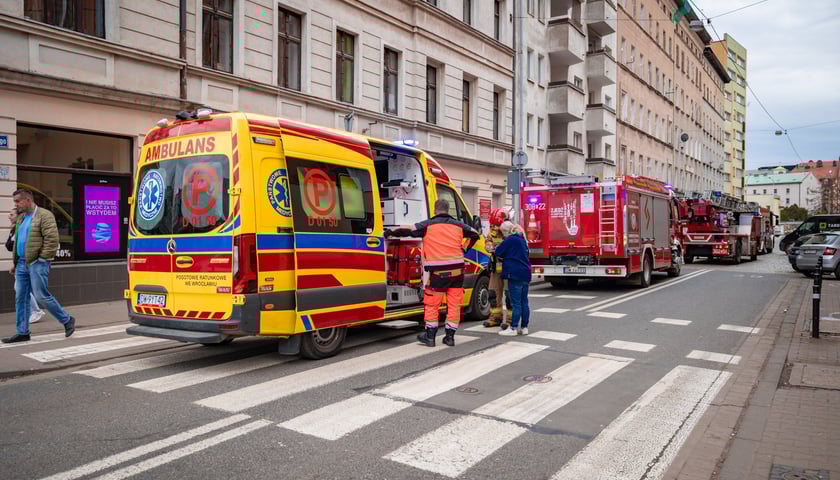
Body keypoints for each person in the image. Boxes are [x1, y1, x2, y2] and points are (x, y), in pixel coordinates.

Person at [385, 199, 480, 347]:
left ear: (435, 210)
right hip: (457, 272)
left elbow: (408, 230)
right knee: (454, 304)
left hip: (437, 273)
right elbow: (475, 234)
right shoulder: (459, 225)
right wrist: (464, 248)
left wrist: (390, 233)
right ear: (448, 210)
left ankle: (430, 336)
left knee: (432, 304)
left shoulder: (427, 225)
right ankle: (450, 337)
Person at [2, 189, 75, 343]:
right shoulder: (21, 218)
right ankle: (22, 332)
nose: (16, 205)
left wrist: (41, 259)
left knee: (41, 295)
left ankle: (67, 320)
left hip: (37, 263)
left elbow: (52, 240)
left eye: (17, 201)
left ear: (28, 200)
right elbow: (18, 242)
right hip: (22, 263)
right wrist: (16, 263)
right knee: (20, 298)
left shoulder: (44, 215)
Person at [5, 209, 45, 324]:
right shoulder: (13, 229)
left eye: (11, 214)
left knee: (22, 288)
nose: (9, 216)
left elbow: (22, 247)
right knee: (21, 288)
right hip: (19, 263)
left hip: (27, 262)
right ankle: (34, 311)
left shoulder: (22, 229)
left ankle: (36, 311)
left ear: (19, 217)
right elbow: (10, 246)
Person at [496, 221, 532, 336]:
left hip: (514, 274)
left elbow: (498, 251)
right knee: (524, 302)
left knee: (516, 303)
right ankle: (525, 327)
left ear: (506, 231)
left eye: (502, 233)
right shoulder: (522, 239)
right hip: (525, 273)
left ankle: (513, 328)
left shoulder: (510, 239)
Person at [483, 208, 509, 329]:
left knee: (509, 294)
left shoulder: (510, 232)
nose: (494, 228)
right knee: (493, 293)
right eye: (492, 225)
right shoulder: (491, 233)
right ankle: (495, 317)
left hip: (509, 268)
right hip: (496, 268)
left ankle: (510, 320)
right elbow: (488, 244)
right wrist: (489, 246)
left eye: (497, 225)